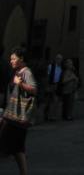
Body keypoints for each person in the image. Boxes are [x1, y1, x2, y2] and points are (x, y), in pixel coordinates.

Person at [0, 47, 37, 175]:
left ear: (21, 59)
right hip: (14, 116)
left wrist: (20, 84)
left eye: (13, 59)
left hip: (17, 116)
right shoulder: (18, 71)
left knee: (8, 143)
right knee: (18, 148)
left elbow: (33, 89)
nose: (11, 61)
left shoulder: (26, 72)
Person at [43, 54, 63, 122]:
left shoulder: (61, 68)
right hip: (51, 84)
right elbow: (47, 76)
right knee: (48, 101)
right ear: (55, 59)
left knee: (55, 101)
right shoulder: (51, 66)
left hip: (57, 85)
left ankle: (52, 116)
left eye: (60, 59)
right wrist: (47, 85)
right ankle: (46, 115)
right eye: (58, 59)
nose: (59, 60)